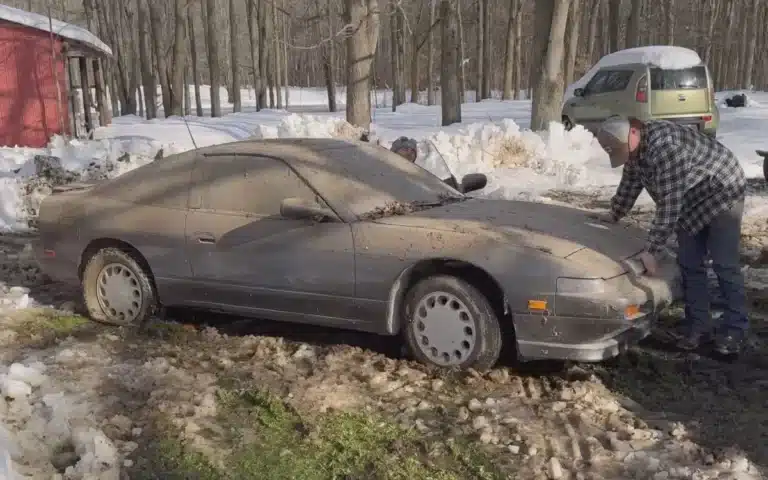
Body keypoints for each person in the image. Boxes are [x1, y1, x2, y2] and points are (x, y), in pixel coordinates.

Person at [594, 115, 748, 355]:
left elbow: (669, 203)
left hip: (722, 192)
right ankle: (699, 327)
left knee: (724, 264)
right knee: (689, 263)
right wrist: (615, 212)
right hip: (690, 199)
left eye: (625, 151)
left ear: (633, 133)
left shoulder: (666, 149)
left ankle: (734, 330)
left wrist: (652, 250)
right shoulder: (636, 151)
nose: (628, 158)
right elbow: (630, 183)